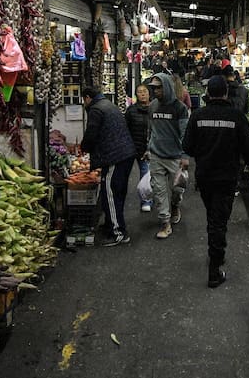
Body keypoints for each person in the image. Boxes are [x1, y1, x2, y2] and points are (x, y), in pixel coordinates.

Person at [182, 75, 249, 288]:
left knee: (213, 216)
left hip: (205, 177)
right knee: (219, 220)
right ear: (225, 93)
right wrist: (247, 163)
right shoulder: (236, 117)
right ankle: (214, 269)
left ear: (207, 94)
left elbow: (188, 146)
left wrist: (203, 153)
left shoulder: (198, 116)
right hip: (227, 177)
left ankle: (216, 251)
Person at [80, 85, 136, 247]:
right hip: (125, 154)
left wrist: (84, 148)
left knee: (111, 193)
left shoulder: (96, 109)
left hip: (114, 157)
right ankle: (111, 223)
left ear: (88, 98)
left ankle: (118, 232)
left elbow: (91, 134)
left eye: (84, 100)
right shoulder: (109, 104)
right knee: (116, 192)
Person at [147, 72, 190, 239]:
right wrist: (147, 147)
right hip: (156, 155)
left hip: (176, 157)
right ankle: (165, 223)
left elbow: (185, 134)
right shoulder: (152, 106)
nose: (155, 91)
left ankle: (175, 206)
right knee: (159, 190)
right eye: (153, 88)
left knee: (178, 189)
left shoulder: (180, 108)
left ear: (166, 86)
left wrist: (185, 156)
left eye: (158, 87)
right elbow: (150, 130)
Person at [125, 83, 152, 212]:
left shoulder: (154, 109)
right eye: (140, 92)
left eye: (144, 91)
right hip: (132, 147)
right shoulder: (131, 110)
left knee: (145, 174)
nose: (142, 94)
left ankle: (146, 200)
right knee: (125, 174)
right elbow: (126, 129)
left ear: (149, 93)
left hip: (147, 148)